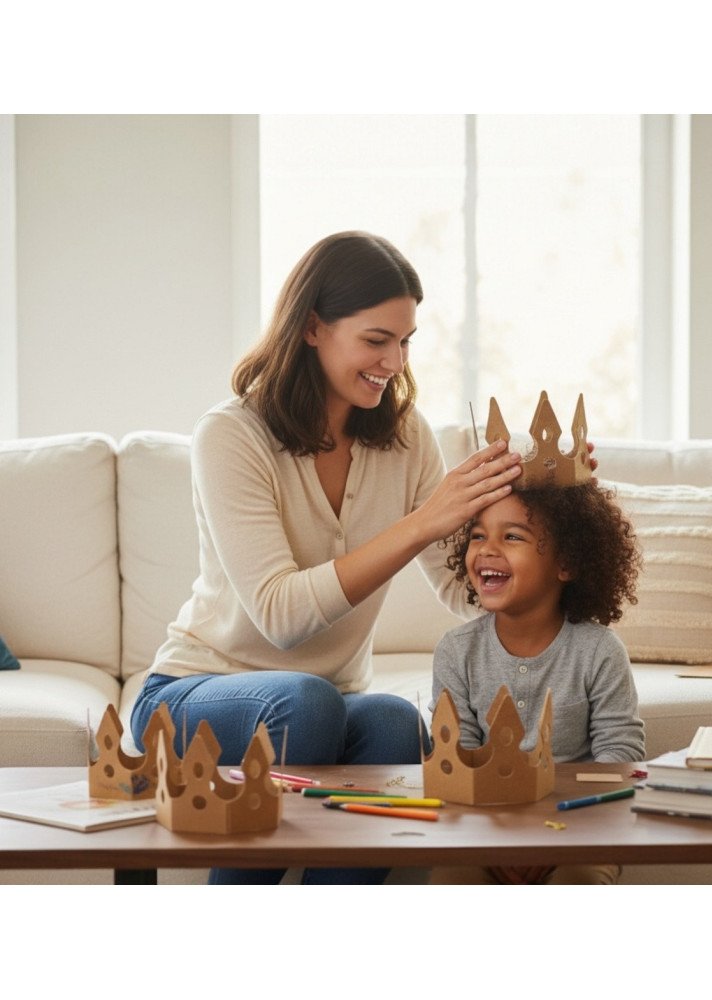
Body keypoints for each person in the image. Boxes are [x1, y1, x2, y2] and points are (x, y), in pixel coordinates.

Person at [129, 231, 525, 884]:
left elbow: (466, 592)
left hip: (329, 701)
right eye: (377, 340)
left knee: (395, 724)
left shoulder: (405, 438)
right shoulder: (231, 434)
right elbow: (280, 615)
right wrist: (422, 523)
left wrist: (542, 510)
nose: (394, 361)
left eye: (406, 342)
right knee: (306, 703)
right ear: (313, 327)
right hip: (190, 696)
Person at [429, 481, 645, 885]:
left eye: (512, 536)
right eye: (478, 535)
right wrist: (497, 838)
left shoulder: (600, 650)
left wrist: (557, 837)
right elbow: (461, 758)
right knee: (450, 881)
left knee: (579, 883)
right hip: (483, 831)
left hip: (580, 830)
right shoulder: (456, 651)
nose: (487, 549)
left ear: (566, 563)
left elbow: (620, 753)